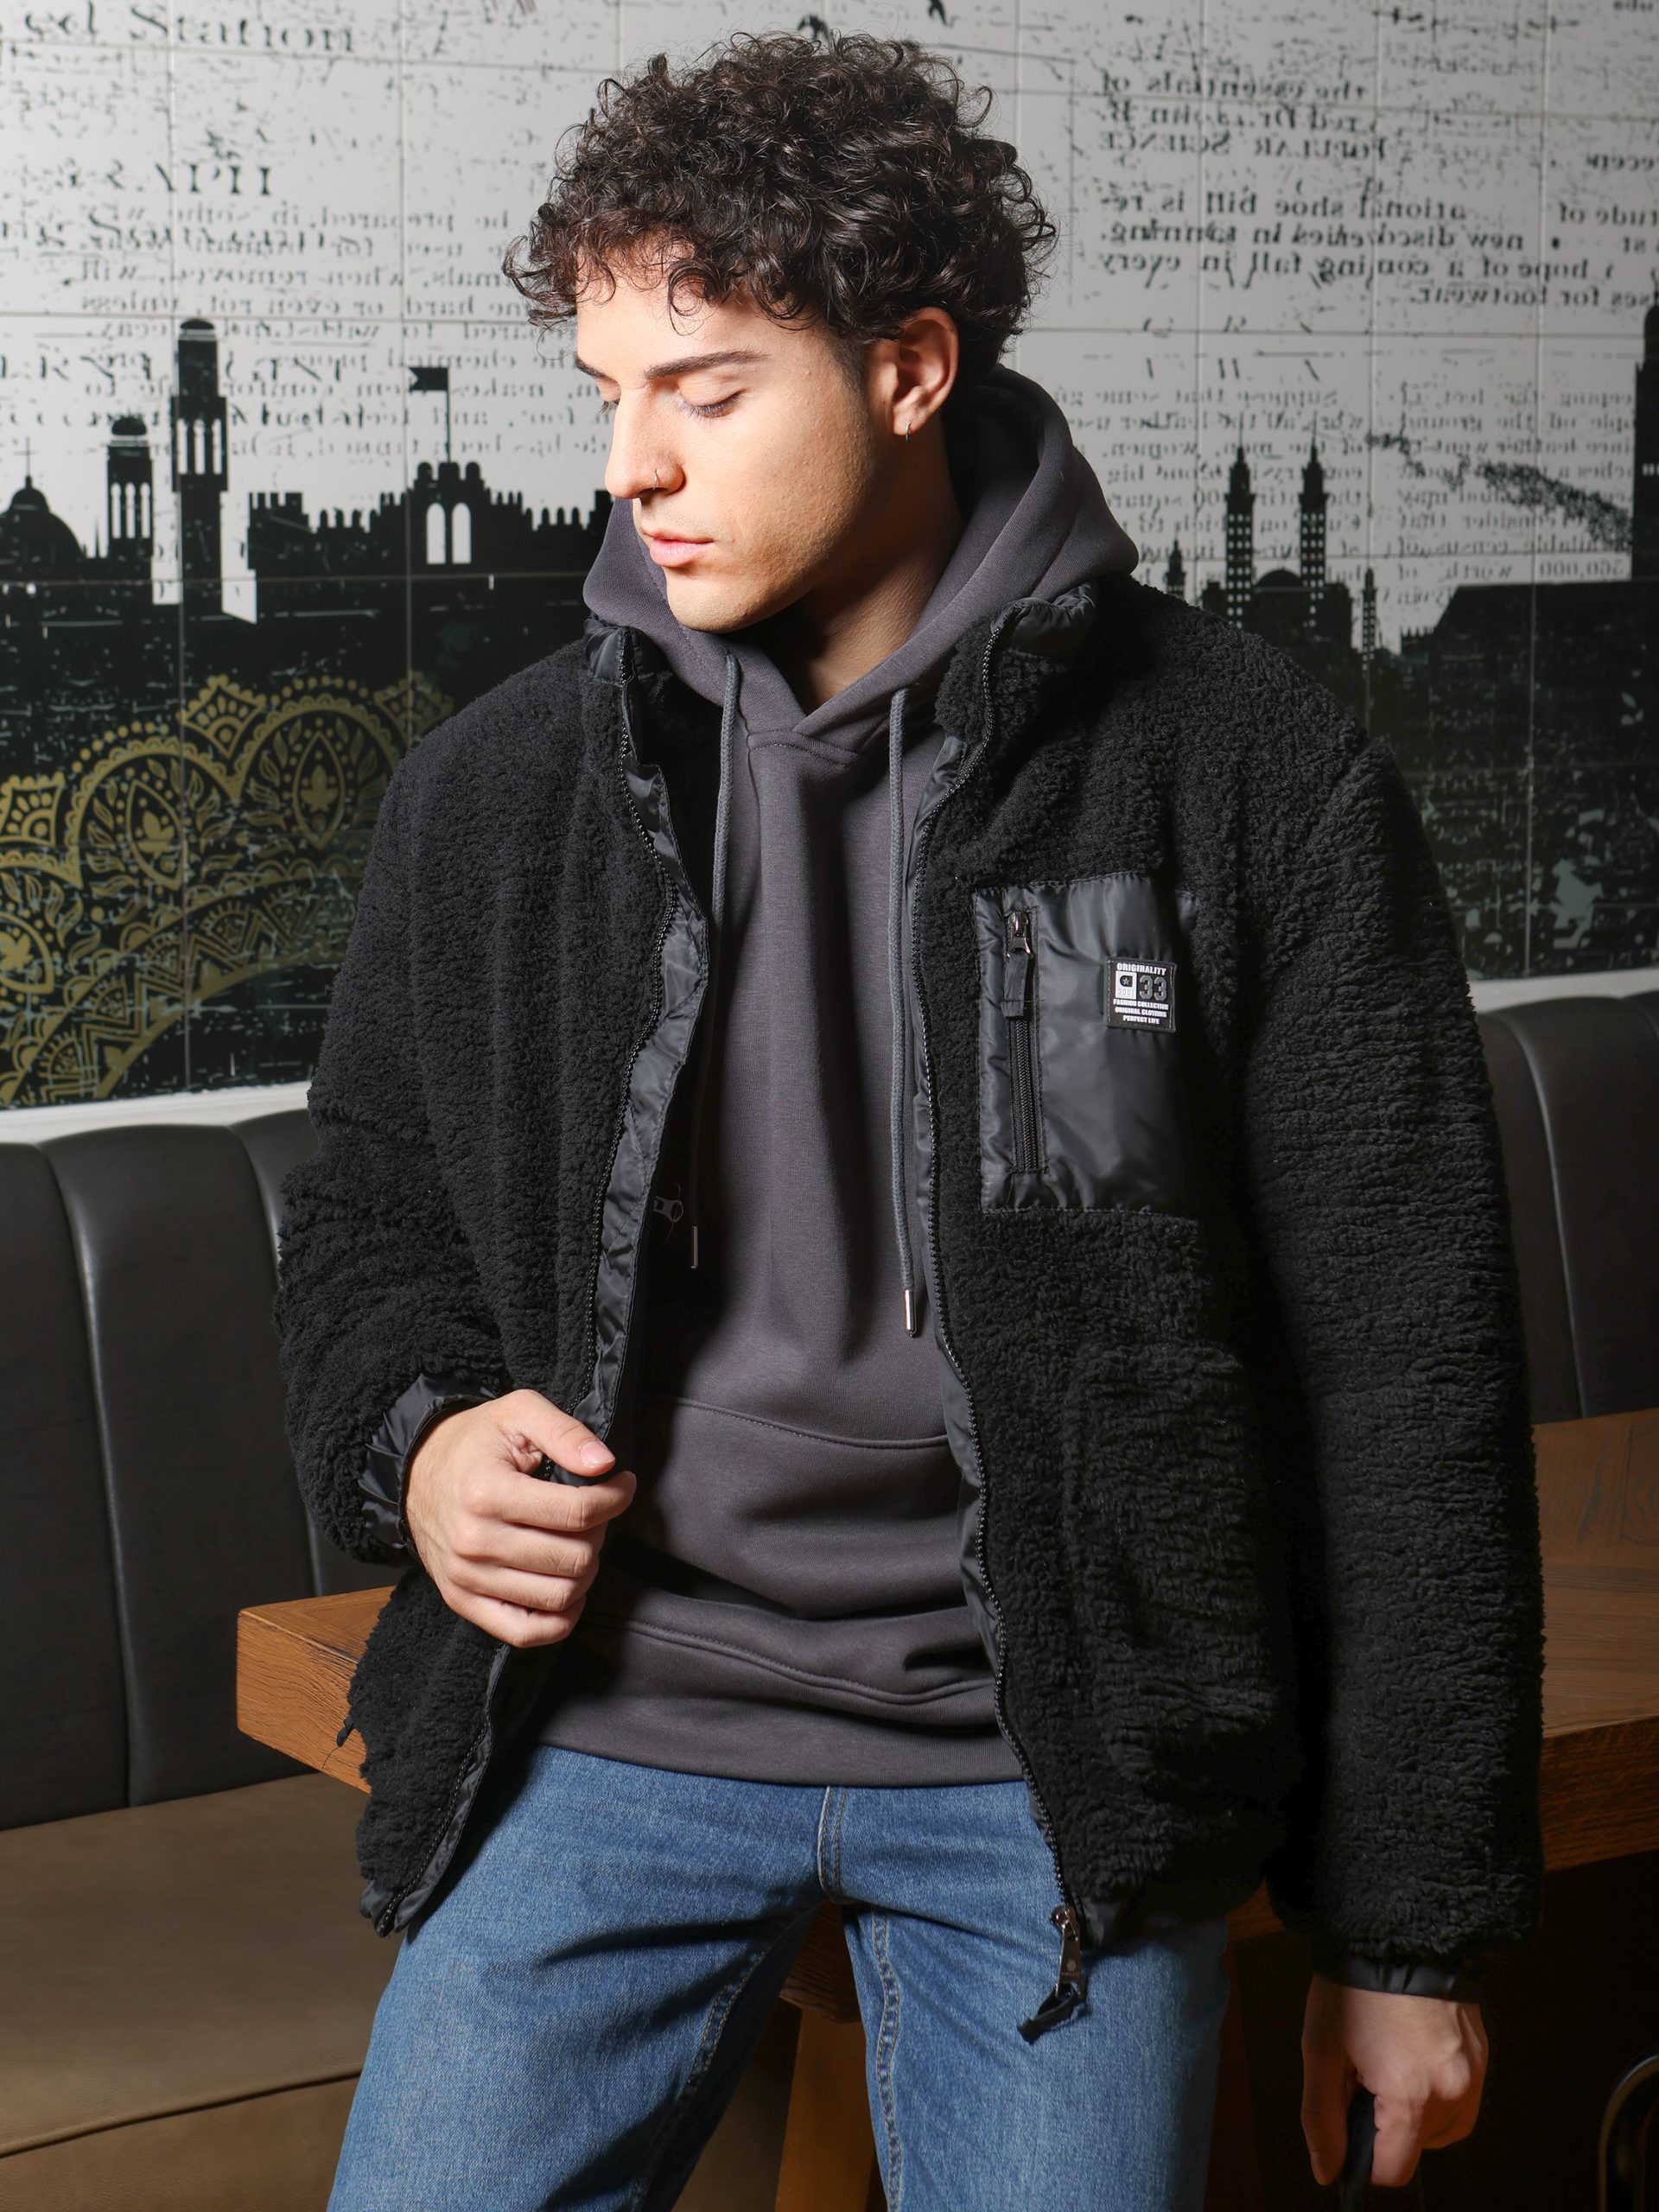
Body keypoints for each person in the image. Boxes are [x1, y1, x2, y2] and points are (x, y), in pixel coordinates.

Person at [274, 30, 1544, 2211]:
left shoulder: (1246, 776)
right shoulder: (493, 798)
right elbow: (370, 1212)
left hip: (1052, 1771)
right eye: (608, 393)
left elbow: (1407, 1364)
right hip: (613, 1714)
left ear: (910, 368)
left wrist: (1408, 1928)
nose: (633, 464)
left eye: (706, 389)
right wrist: (424, 1440)